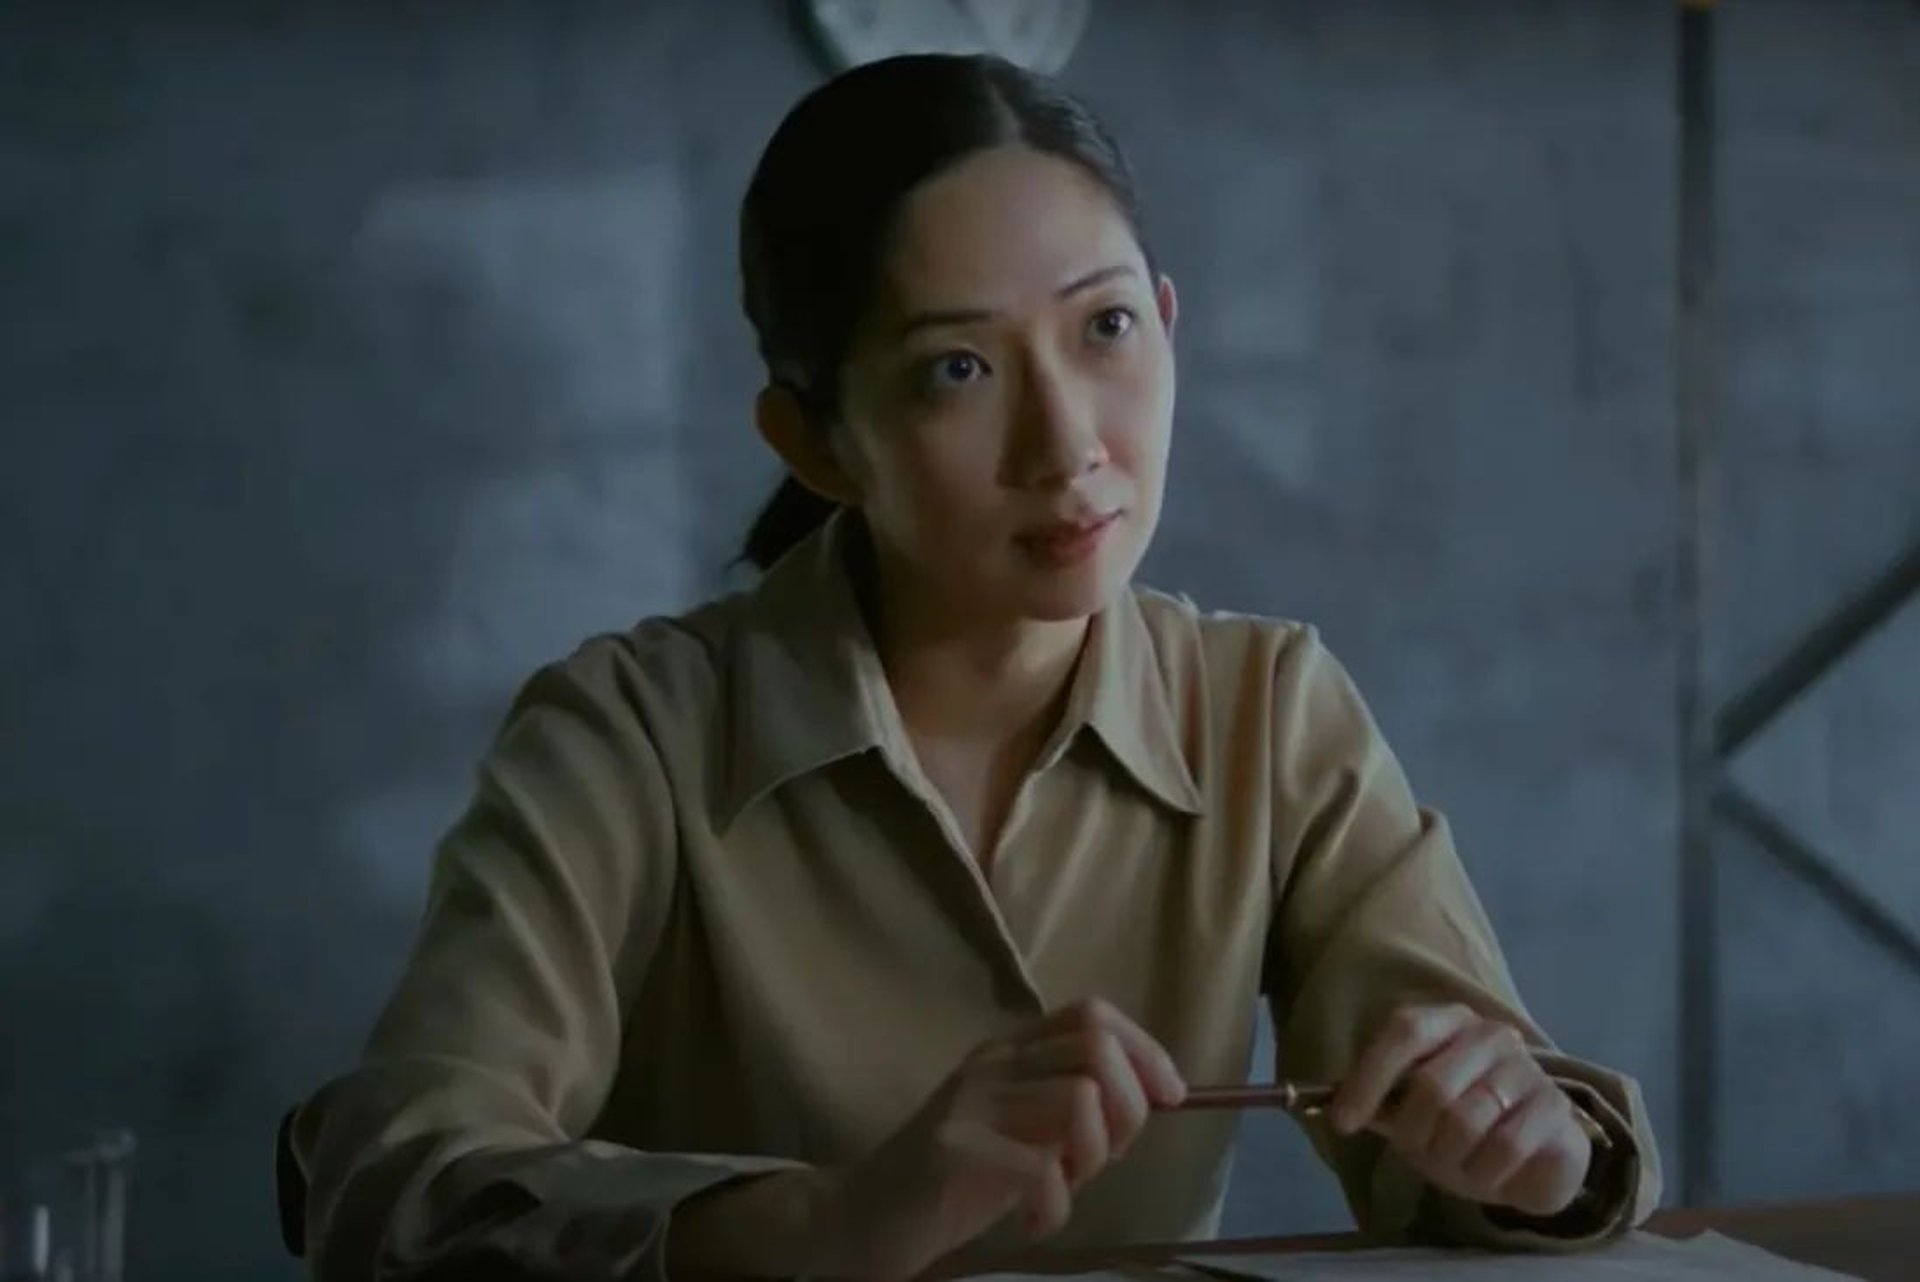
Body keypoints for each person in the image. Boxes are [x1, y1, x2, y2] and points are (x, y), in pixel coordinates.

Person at [285, 52, 1661, 1282]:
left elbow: (1477, 1116)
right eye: (957, 370)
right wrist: (831, 1223)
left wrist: (1530, 1156)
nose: (1068, 445)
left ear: (1170, 323)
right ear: (817, 443)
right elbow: (395, 1187)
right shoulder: (630, 734)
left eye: (1106, 327)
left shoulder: (1267, 710)